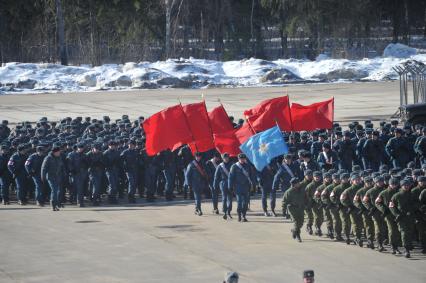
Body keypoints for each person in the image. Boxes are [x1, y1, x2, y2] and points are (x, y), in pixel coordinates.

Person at [389, 178, 416, 258]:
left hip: (410, 217)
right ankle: (406, 249)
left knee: (410, 231)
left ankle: (408, 245)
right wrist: (397, 214)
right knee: (404, 232)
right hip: (401, 217)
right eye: (405, 185)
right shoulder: (396, 196)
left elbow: (417, 203)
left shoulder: (412, 194)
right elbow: (391, 207)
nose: (407, 187)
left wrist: (412, 210)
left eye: (408, 185)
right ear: (401, 186)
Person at [229, 153, 255, 222]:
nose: (242, 160)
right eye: (241, 159)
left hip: (246, 187)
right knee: (239, 202)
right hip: (238, 187)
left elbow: (252, 176)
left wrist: (254, 185)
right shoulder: (234, 166)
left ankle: (244, 215)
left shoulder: (248, 166)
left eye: (243, 158)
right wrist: (230, 186)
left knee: (245, 203)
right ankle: (239, 215)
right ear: (238, 159)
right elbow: (230, 177)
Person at [41, 145, 65, 211]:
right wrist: (43, 177)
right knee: (54, 190)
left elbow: (62, 167)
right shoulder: (48, 158)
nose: (60, 153)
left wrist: (64, 174)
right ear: (55, 152)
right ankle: (53, 205)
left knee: (57, 191)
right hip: (51, 177)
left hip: (58, 176)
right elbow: (43, 168)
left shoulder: (59, 157)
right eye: (58, 152)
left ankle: (57, 204)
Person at [282, 177, 306, 242]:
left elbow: (305, 198)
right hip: (292, 208)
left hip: (300, 207)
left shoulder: (302, 190)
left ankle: (294, 230)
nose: (299, 184)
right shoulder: (289, 192)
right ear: (294, 184)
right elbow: (284, 202)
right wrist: (283, 211)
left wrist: (307, 205)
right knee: (296, 222)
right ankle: (298, 235)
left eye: (299, 183)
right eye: (297, 183)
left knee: (301, 222)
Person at [67, 143, 88, 207]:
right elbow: (69, 163)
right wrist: (72, 170)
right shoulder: (72, 154)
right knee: (74, 188)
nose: (81, 149)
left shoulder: (84, 155)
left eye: (82, 148)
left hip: (82, 173)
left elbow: (87, 164)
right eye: (80, 148)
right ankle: (72, 198)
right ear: (77, 148)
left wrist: (86, 163)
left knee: (80, 188)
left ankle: (80, 202)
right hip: (74, 173)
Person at [214, 153, 233, 219]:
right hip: (223, 183)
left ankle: (229, 211)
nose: (226, 159)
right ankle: (225, 212)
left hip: (230, 183)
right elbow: (216, 177)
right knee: (224, 198)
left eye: (227, 157)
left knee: (230, 199)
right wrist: (215, 185)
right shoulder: (220, 166)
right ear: (222, 158)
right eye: (225, 158)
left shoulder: (232, 165)